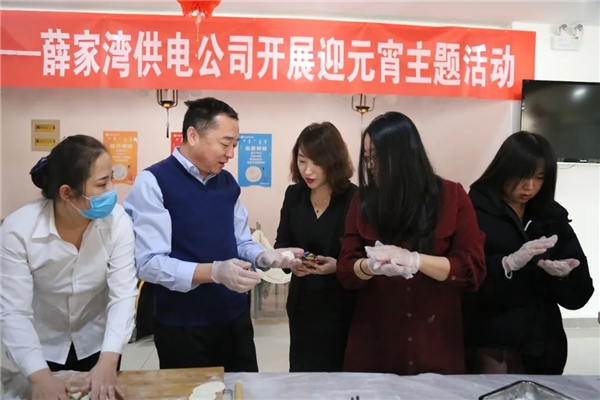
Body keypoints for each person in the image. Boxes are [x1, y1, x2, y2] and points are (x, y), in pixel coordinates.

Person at [123, 97, 303, 372]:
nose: (231, 154)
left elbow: (241, 241)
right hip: (182, 324)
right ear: (193, 135)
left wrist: (264, 257)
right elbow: (149, 263)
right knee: (191, 390)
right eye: (225, 143)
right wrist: (214, 272)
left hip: (234, 318)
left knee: (243, 388)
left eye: (235, 145)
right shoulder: (154, 182)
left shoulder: (227, 182)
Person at [336, 111, 487, 375]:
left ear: (405, 155)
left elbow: (471, 268)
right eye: (367, 158)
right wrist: (370, 266)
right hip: (377, 338)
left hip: (434, 339)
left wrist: (416, 260)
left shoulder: (451, 196)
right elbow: (347, 268)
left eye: (378, 158)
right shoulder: (363, 201)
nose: (371, 167)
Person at [0, 135, 138, 400]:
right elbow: (14, 311)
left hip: (98, 343)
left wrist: (109, 361)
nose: (112, 190)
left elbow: (123, 295)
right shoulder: (18, 231)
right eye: (102, 183)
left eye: (111, 178)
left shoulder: (118, 223)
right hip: (41, 347)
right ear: (67, 193)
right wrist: (39, 378)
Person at [462, 131, 594, 375]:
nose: (529, 186)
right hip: (492, 345)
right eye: (522, 175)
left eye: (539, 177)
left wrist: (565, 276)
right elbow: (464, 283)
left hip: (544, 347)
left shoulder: (553, 217)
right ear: (502, 170)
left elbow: (580, 296)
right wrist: (506, 265)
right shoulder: (473, 213)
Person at [274, 122, 357, 372]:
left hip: (342, 305)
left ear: (333, 161)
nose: (307, 170)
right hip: (303, 304)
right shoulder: (294, 195)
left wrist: (338, 266)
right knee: (302, 374)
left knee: (339, 375)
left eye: (317, 162)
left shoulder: (355, 198)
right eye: (302, 161)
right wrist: (291, 262)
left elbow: (364, 255)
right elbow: (281, 243)